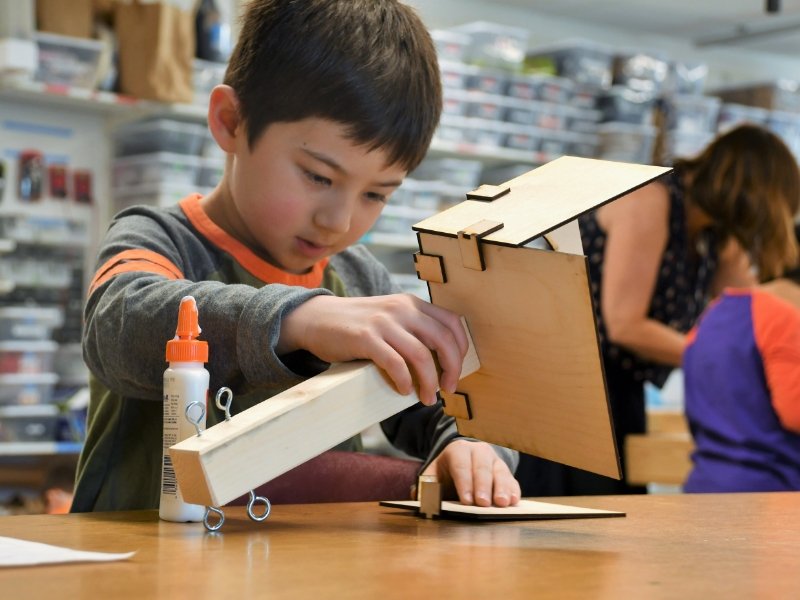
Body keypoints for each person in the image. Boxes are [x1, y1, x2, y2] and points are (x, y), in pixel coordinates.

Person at [71, 0, 520, 513]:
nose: (340, 221)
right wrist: (301, 319)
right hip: (142, 555)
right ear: (230, 122)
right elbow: (117, 325)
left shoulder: (359, 279)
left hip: (307, 556)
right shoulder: (158, 238)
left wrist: (470, 445)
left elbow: (445, 401)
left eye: (376, 194)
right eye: (318, 177)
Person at [517, 124, 800, 496]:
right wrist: (715, 359)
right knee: (577, 517)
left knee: (618, 518)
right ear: (750, 194)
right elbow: (624, 325)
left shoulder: (713, 233)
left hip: (621, 387)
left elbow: (745, 313)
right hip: (570, 387)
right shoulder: (651, 201)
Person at [683, 224, 800, 493]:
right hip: (770, 490)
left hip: (704, 484)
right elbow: (795, 414)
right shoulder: (783, 318)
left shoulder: (711, 315)